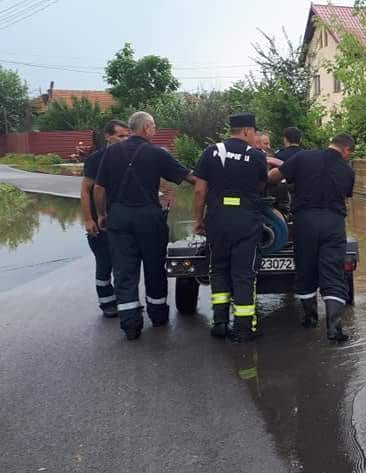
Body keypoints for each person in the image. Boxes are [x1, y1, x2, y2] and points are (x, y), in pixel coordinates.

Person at [94, 111, 198, 340]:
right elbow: (189, 177)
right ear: (147, 128)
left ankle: (130, 326)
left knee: (124, 272)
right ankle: (158, 316)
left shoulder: (110, 152)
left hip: (119, 218)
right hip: (149, 217)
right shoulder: (157, 153)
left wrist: (102, 215)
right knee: (154, 268)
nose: (155, 131)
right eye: (154, 127)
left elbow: (99, 189)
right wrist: (213, 184)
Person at [267, 133, 355, 342]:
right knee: (333, 273)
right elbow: (345, 197)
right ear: (346, 150)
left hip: (305, 221)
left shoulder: (303, 157)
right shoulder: (348, 170)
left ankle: (309, 318)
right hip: (334, 223)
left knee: (305, 268)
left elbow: (273, 177)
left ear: (331, 143)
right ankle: (334, 329)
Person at [192, 113, 269, 342]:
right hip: (246, 220)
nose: (255, 136)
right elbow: (261, 187)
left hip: (218, 218)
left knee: (218, 269)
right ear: (247, 131)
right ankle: (244, 328)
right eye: (254, 132)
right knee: (244, 273)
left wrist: (199, 220)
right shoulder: (256, 156)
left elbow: (199, 191)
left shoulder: (211, 152)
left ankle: (220, 323)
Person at [81, 119, 129, 318]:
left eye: (127, 136)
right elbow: (86, 190)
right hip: (99, 221)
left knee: (122, 263)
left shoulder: (128, 157)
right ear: (108, 137)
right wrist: (88, 219)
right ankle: (106, 302)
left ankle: (124, 301)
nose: (125, 139)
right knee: (104, 262)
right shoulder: (96, 159)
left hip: (120, 219)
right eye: (121, 136)